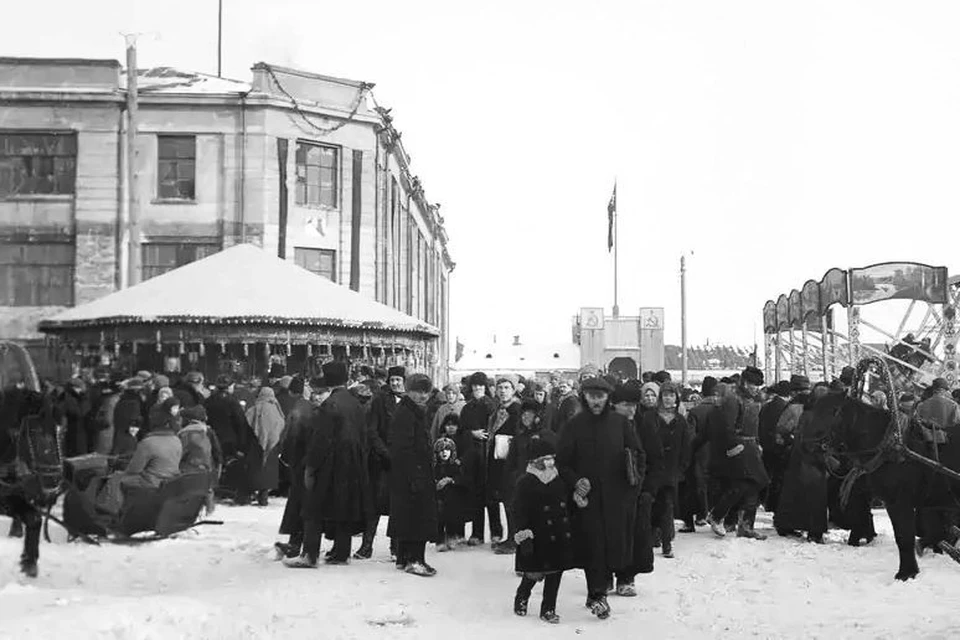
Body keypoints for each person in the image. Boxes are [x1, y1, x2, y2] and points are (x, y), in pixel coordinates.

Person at [557, 377, 642, 620]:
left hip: (617, 498)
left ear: (607, 398)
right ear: (584, 397)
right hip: (587, 499)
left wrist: (633, 489)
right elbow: (562, 462)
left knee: (613, 547)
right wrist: (575, 482)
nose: (596, 401)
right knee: (592, 546)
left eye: (600, 396)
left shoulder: (620, 423)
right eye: (591, 396)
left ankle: (600, 588)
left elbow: (638, 455)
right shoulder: (574, 425)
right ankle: (597, 593)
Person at [287, 362, 374, 568]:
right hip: (352, 463)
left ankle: (309, 554)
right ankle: (342, 552)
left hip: (330, 464)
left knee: (313, 507)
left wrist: (311, 466)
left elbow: (321, 440)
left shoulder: (330, 404)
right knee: (344, 507)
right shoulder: (355, 403)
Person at [511, 438, 574, 625]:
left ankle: (548, 608)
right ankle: (522, 596)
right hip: (536, 535)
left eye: (552, 458)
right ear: (534, 460)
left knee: (555, 573)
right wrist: (523, 534)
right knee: (533, 573)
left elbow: (566, 503)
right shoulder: (526, 481)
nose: (550, 462)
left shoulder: (558, 479)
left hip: (557, 534)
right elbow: (518, 510)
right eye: (545, 458)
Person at [705, 367, 770, 540]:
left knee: (755, 483)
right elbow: (728, 427)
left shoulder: (752, 400)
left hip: (751, 445)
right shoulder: (734, 400)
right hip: (740, 446)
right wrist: (734, 446)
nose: (755, 388)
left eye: (758, 385)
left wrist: (757, 443)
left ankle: (745, 524)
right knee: (744, 483)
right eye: (752, 384)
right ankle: (718, 515)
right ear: (744, 382)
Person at [387, 373, 439, 577]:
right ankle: (415, 559)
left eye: (426, 391)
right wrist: (415, 475)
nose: (423, 395)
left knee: (407, 515)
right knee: (418, 516)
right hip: (413, 472)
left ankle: (403, 557)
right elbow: (404, 447)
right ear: (409, 391)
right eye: (418, 391)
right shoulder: (407, 413)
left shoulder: (412, 410)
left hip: (409, 473)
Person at [358, 365, 406, 559]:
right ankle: (366, 546)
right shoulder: (379, 401)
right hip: (380, 461)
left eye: (398, 380)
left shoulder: (409, 402)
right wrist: (384, 452)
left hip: (401, 462)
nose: (395, 383)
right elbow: (372, 430)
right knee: (374, 505)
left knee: (397, 506)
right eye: (392, 380)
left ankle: (396, 548)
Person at [645, 382, 691, 558]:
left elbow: (687, 446)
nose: (668, 398)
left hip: (671, 471)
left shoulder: (680, 420)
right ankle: (650, 538)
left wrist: (681, 468)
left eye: (671, 395)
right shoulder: (650, 417)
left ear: (676, 398)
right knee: (651, 505)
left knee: (667, 507)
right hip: (652, 469)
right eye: (665, 395)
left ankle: (666, 543)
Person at [458, 372, 497, 544]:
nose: (478, 389)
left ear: (486, 387)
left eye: (481, 385)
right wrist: (472, 433)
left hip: (490, 453)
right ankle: (477, 533)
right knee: (475, 494)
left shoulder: (492, 405)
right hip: (473, 454)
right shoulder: (467, 407)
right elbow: (461, 431)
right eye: (475, 386)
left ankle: (496, 532)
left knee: (491, 495)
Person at [486, 376, 522, 552]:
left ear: (513, 390)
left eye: (507, 387)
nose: (502, 391)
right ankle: (510, 537)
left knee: (511, 500)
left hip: (512, 462)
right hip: (497, 461)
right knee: (504, 499)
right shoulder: (498, 410)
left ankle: (514, 539)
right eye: (499, 387)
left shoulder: (517, 410)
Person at [246, 387, 286, 506]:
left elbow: (247, 423)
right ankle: (263, 496)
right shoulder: (277, 410)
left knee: (254, 470)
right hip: (272, 445)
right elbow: (281, 424)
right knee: (268, 471)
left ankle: (248, 494)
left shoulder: (255, 409)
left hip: (256, 444)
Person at [434, 437, 467, 551]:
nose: (444, 453)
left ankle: (451, 536)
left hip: (453, 496)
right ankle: (439, 539)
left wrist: (450, 480)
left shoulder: (456, 465)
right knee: (439, 517)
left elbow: (463, 479)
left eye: (447, 450)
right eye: (441, 450)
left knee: (452, 516)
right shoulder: (434, 465)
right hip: (438, 497)